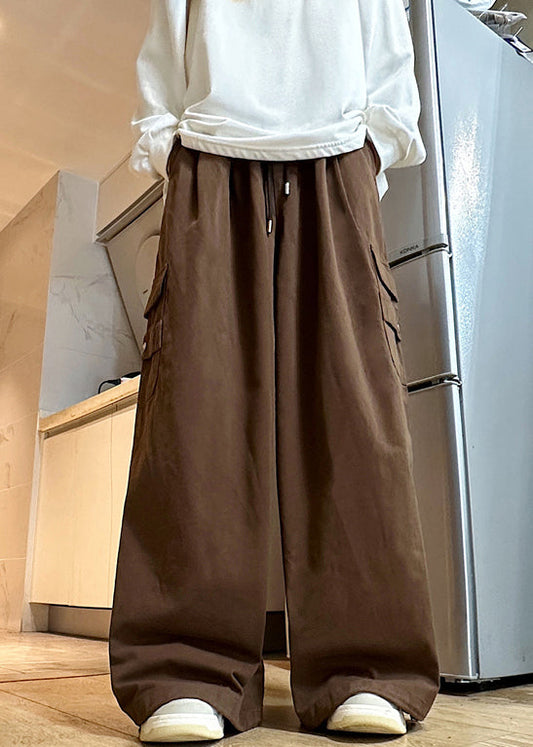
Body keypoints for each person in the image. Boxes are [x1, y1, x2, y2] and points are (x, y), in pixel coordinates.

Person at [108, 0, 441, 743]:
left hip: (339, 152)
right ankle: (183, 668)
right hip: (208, 149)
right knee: (195, 411)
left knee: (353, 412)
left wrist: (371, 147)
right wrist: (172, 146)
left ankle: (368, 664)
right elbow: (168, 34)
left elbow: (388, 47)